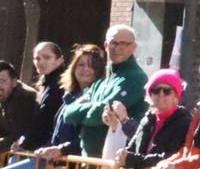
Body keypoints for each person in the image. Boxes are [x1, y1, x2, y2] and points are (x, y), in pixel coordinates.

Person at [56, 24, 147, 160]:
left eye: (125, 44)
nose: (118, 48)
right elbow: (68, 113)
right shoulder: (102, 80)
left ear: (133, 47)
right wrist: (92, 111)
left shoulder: (135, 77)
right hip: (88, 158)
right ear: (106, 45)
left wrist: (82, 113)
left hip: (112, 160)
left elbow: (103, 112)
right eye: (114, 43)